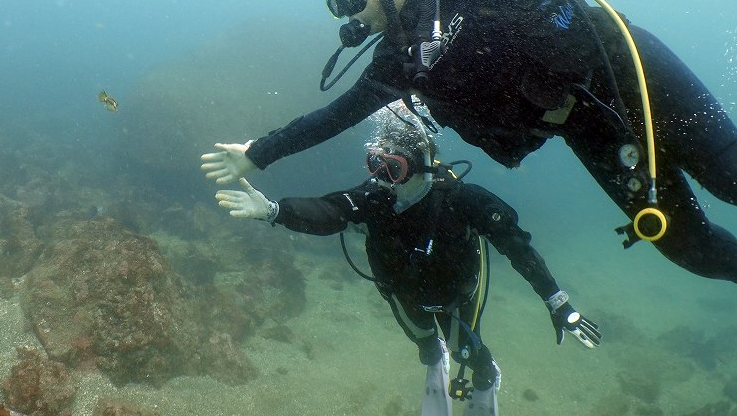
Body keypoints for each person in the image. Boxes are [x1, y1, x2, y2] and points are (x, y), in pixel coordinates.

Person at [201, 0, 737, 289]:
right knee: (687, 248)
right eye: (335, 2)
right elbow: (334, 116)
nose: (345, 14)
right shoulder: (397, 63)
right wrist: (259, 152)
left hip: (628, 70)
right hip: (586, 124)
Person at [213, 102, 600, 416]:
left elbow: (517, 247)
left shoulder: (463, 200)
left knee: (469, 350)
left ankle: (484, 377)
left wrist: (557, 301)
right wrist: (274, 211)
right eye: (375, 165)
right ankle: (435, 360)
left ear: (423, 166)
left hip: (459, 291)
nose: (382, 178)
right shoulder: (375, 197)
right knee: (424, 343)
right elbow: (330, 211)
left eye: (393, 168)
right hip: (401, 290)